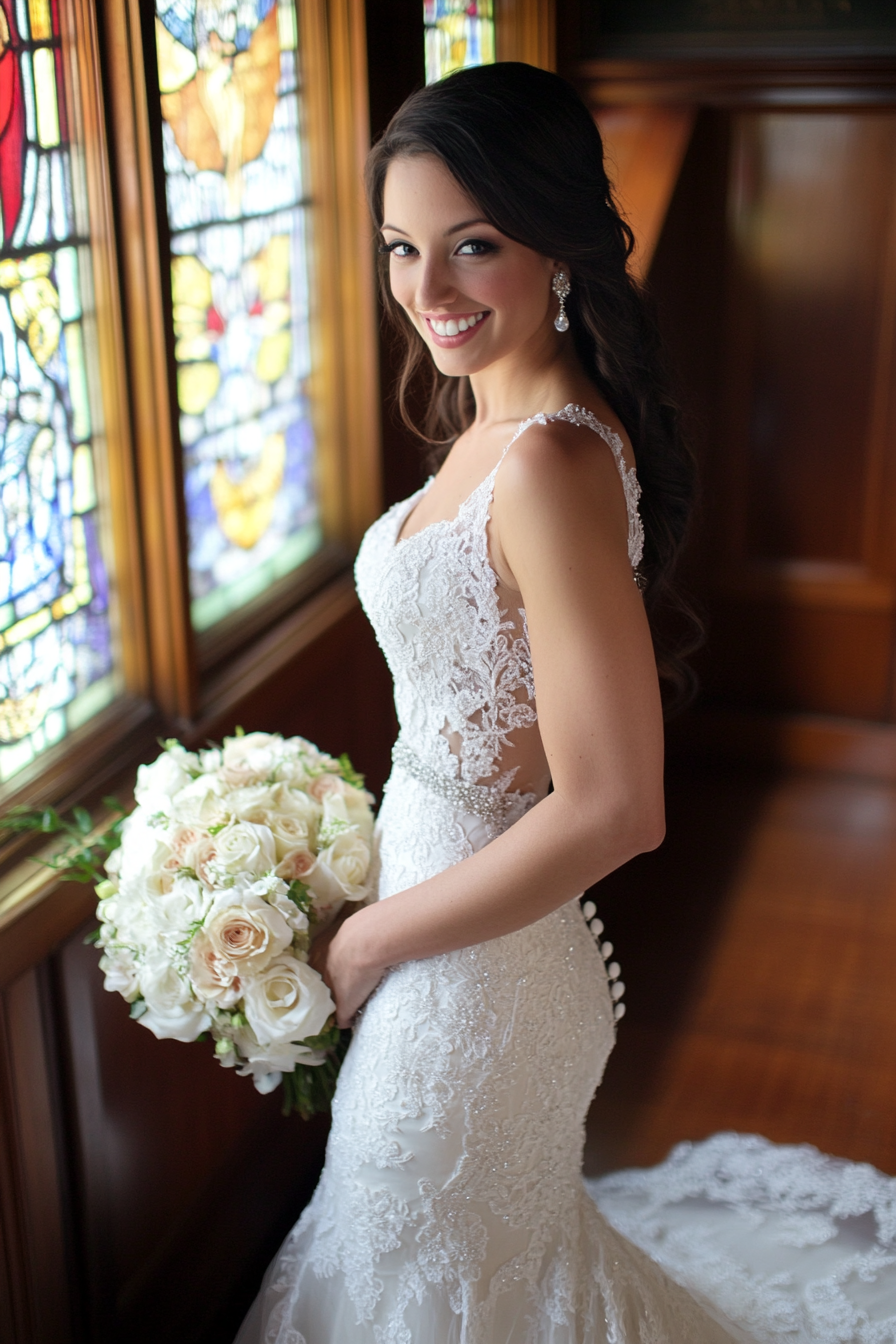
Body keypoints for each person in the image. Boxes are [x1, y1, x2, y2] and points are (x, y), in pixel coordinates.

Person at [236, 64, 896, 1344]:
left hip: (474, 978)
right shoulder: (489, 419)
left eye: (470, 247)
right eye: (402, 248)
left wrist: (373, 941)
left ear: (557, 249)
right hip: (440, 926)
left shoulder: (545, 464)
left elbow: (613, 807)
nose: (427, 291)